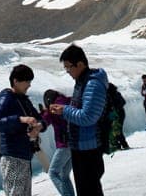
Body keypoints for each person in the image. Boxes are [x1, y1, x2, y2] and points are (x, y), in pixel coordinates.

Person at [50, 44, 108, 196]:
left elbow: (88, 117)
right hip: (81, 146)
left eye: (69, 67)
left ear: (80, 64)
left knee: (90, 191)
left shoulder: (93, 84)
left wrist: (64, 110)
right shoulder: (82, 81)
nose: (68, 72)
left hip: (88, 148)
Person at [0, 64, 46, 196]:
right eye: (27, 81)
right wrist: (20, 119)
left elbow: (40, 119)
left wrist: (39, 126)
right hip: (12, 157)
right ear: (15, 81)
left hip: (24, 155)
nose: (29, 85)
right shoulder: (7, 97)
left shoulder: (24, 100)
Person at [41, 90, 75, 196]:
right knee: (64, 175)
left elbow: (45, 120)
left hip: (64, 145)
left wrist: (41, 115)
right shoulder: (68, 102)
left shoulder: (53, 108)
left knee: (53, 173)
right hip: (74, 144)